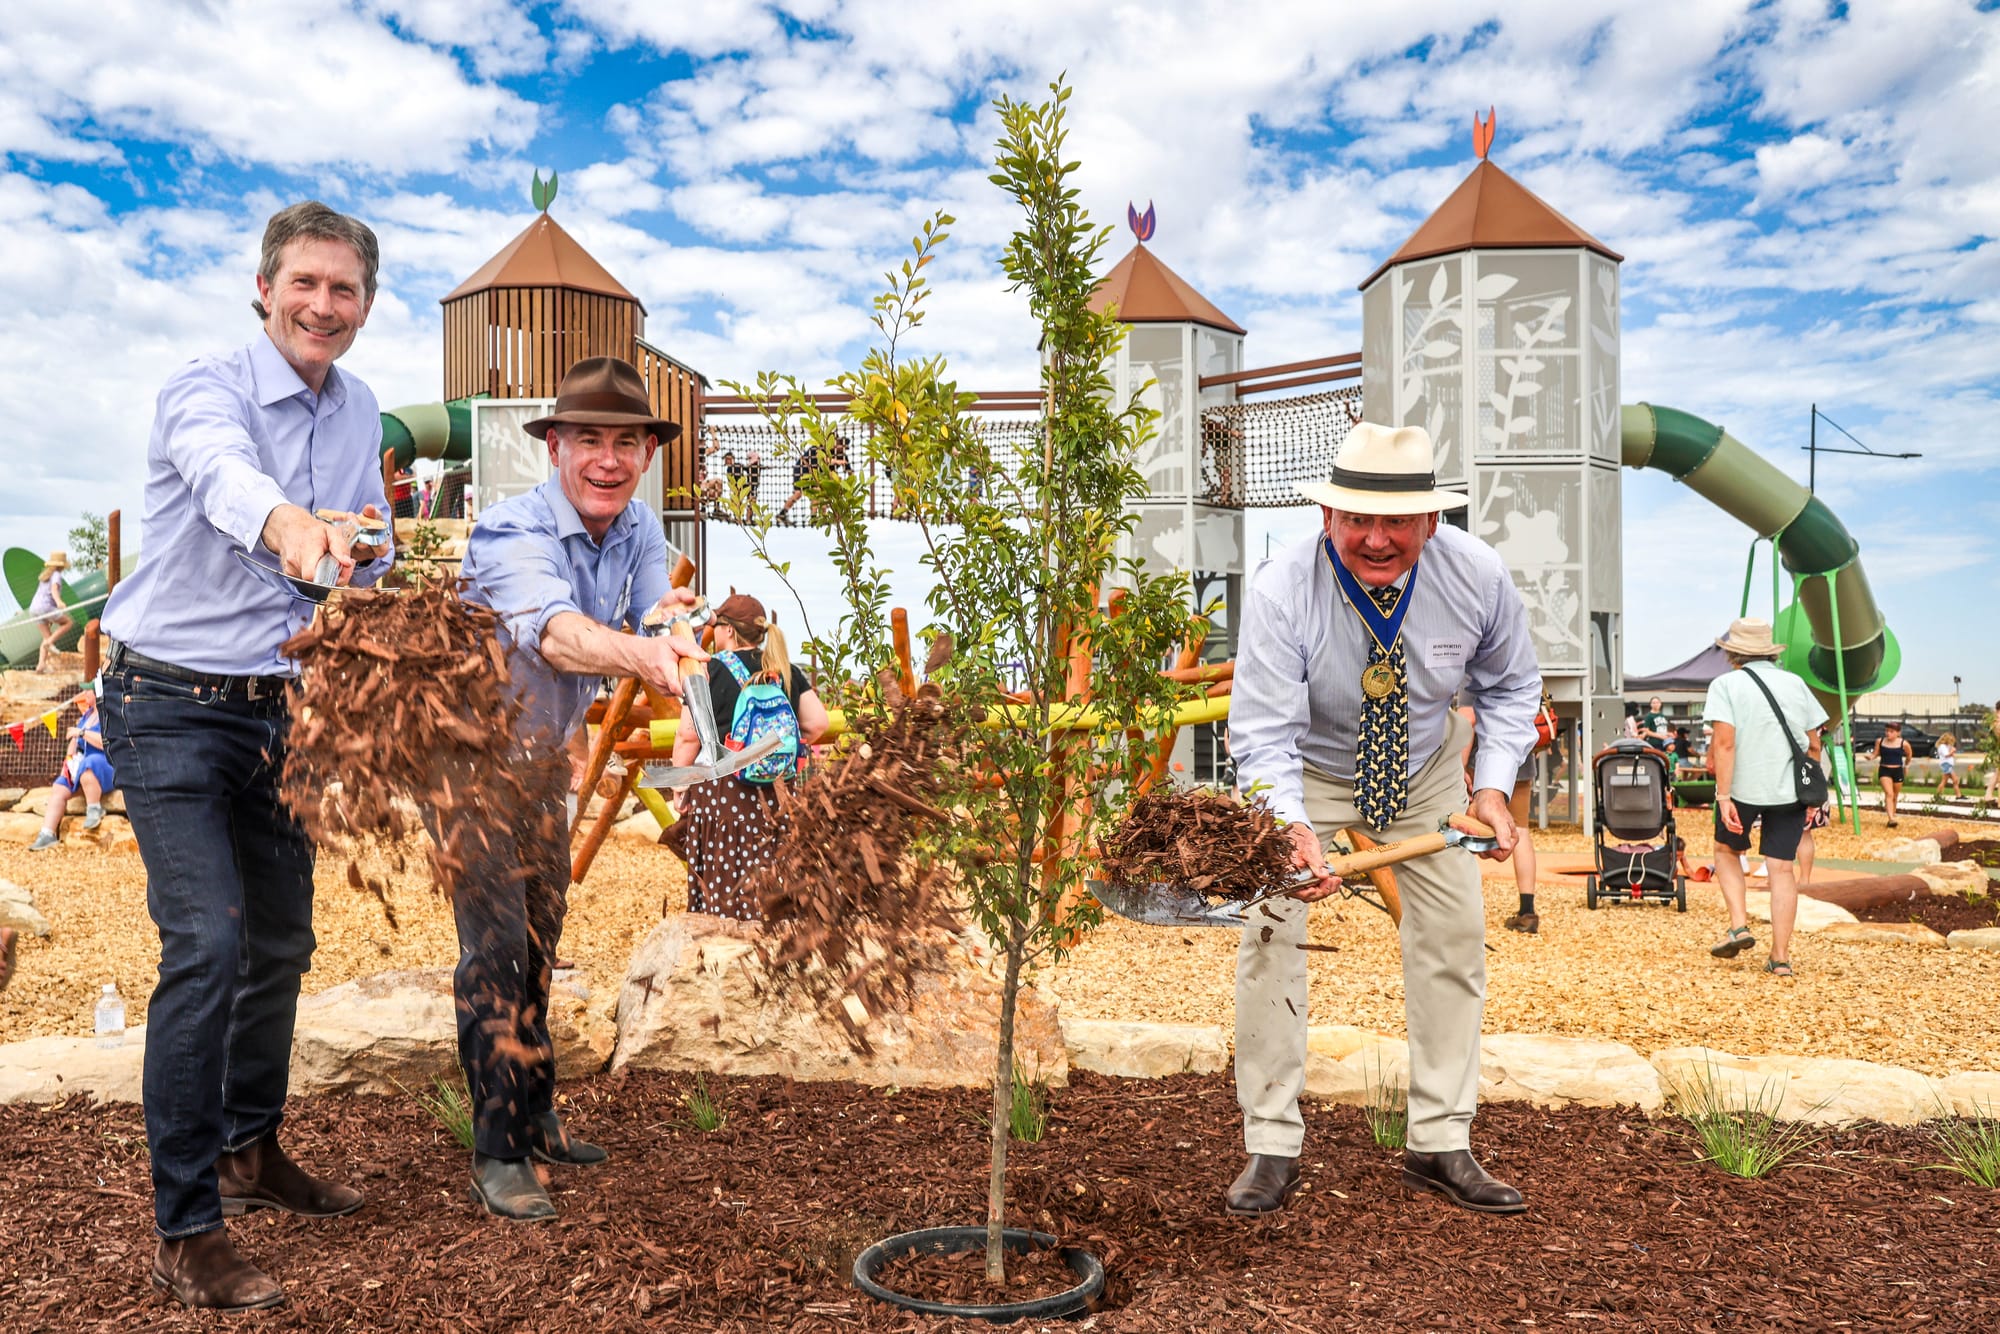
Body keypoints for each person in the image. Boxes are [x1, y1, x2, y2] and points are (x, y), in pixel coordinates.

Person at [94, 201, 391, 1311]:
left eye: (344, 288)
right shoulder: (203, 386)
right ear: (264, 289)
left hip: (280, 709)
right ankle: (185, 1228)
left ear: (365, 305)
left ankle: (248, 1148)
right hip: (165, 700)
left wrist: (364, 545)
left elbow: (364, 532)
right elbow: (227, 478)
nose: (323, 304)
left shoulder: (359, 407)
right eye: (304, 282)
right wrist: (291, 526)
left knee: (281, 941)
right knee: (208, 943)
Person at [1230, 422, 1539, 1218]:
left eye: (1396, 521)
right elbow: (1262, 733)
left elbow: (1511, 687)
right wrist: (1289, 826)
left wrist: (1492, 789)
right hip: (1308, 769)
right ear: (1326, 515)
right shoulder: (1281, 588)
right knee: (1270, 937)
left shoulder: (1477, 575)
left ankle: (1440, 1141)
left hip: (1427, 770)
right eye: (1357, 519)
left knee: (1454, 942)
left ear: (1431, 520)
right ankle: (1271, 1143)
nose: (1375, 539)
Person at [453, 356, 705, 1223]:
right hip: (468, 760)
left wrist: (688, 642)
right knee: (493, 949)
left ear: (647, 454)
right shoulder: (510, 530)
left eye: (626, 442)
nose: (608, 458)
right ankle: (497, 1151)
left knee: (539, 937)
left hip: (539, 760)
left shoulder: (637, 527)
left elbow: (659, 610)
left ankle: (536, 1113)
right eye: (589, 439)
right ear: (554, 445)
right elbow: (558, 636)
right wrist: (646, 656)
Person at [663, 591, 828, 919]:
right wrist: (777, 750)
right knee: (775, 862)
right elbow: (817, 723)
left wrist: (680, 786)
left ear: (727, 629)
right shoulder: (784, 669)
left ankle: (725, 933)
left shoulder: (709, 670)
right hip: (778, 794)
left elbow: (688, 735)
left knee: (726, 872)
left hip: (725, 794)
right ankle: (774, 928)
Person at [1701, 618, 1826, 978]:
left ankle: (1739, 925)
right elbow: (1814, 744)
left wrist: (1724, 796)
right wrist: (1811, 794)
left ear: (1733, 653)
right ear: (1770, 652)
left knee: (1726, 851)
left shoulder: (1725, 685)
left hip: (1743, 788)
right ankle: (1781, 957)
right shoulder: (1795, 684)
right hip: (1790, 790)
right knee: (1781, 868)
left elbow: (1725, 744)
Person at [28, 689, 114, 850]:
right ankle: (47, 834)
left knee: (89, 764)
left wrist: (82, 733)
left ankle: (94, 809)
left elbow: (107, 743)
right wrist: (68, 764)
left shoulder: (108, 714)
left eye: (88, 691)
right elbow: (74, 742)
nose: (84, 694)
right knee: (60, 786)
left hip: (103, 766)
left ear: (97, 693)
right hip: (82, 766)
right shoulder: (87, 715)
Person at [775, 433, 851, 525]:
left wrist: (848, 483)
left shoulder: (842, 456)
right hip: (802, 469)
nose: (841, 449)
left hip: (816, 475)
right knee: (799, 493)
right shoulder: (820, 447)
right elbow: (823, 459)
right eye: (840, 444)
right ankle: (783, 514)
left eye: (844, 447)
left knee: (819, 492)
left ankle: (815, 517)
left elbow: (849, 472)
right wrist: (837, 462)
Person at [30, 551, 69, 672]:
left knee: (46, 637)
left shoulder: (45, 576)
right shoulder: (56, 574)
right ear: (62, 565)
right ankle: (50, 643)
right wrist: (59, 602)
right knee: (68, 623)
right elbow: (54, 589)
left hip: (34, 609)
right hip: (45, 607)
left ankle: (41, 665)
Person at [1872, 721, 1909, 828]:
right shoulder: (1880, 741)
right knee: (1889, 793)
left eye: (1891, 731)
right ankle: (1891, 818)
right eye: (1887, 731)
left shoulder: (1904, 743)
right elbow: (1875, 753)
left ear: (1898, 733)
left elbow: (1909, 755)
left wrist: (1906, 766)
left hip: (1897, 770)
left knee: (1895, 795)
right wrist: (1870, 757)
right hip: (1885, 770)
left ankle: (1892, 816)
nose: (1888, 733)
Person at [1935, 733, 1962, 802]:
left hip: (1948, 765)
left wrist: (1951, 752)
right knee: (1946, 781)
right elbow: (1946, 755)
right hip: (1946, 765)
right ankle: (1938, 796)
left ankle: (1958, 795)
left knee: (1955, 780)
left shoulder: (1946, 746)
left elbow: (1949, 754)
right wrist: (1952, 751)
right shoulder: (1942, 746)